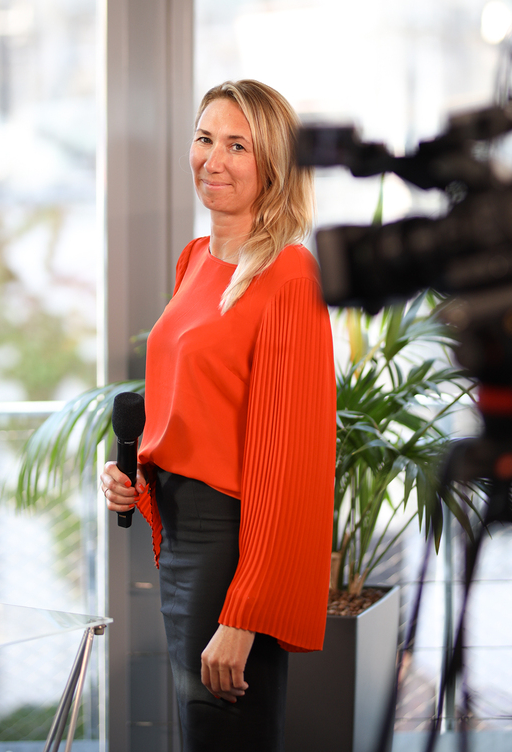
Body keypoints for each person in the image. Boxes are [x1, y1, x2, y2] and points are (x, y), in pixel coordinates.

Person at [101, 79, 336, 752]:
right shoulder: (195, 261)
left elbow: (287, 466)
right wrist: (134, 473)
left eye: (238, 145)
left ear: (272, 164)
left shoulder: (289, 276)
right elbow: (193, 403)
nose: (214, 159)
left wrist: (244, 614)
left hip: (231, 549)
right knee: (201, 734)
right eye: (205, 139)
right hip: (181, 537)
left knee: (224, 736)